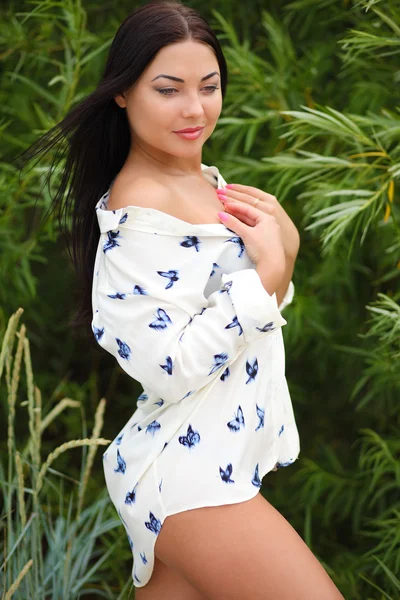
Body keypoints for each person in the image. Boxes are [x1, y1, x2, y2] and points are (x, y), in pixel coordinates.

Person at [16, 1, 345, 597]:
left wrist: (281, 262)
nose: (195, 109)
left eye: (209, 86)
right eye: (168, 89)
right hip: (189, 477)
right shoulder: (140, 215)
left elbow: (240, 315)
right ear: (122, 93)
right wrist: (274, 266)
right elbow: (173, 365)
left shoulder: (202, 182)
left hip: (212, 461)